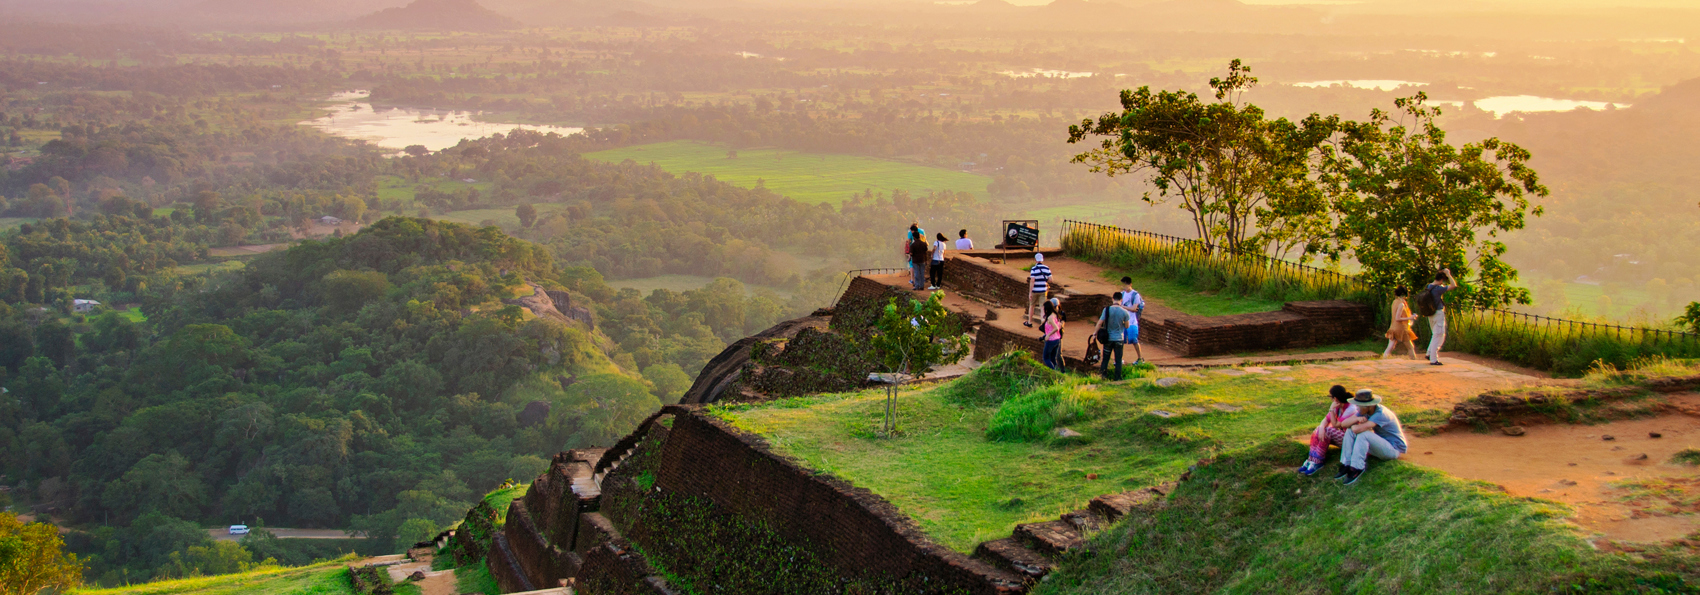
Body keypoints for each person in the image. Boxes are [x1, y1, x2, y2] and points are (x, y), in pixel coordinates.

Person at [1336, 389, 1407, 485]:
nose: (1357, 407)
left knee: (1363, 434)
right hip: (1383, 446)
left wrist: (1353, 425)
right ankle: (1346, 463)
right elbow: (1344, 424)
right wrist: (1356, 419)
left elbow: (1358, 429)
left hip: (1394, 450)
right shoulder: (1364, 411)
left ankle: (1357, 467)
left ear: (1368, 406)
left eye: (1359, 405)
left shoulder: (1381, 414)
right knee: (1350, 431)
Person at [1298, 386, 1359, 476]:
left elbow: (1336, 425)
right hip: (1344, 436)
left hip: (1351, 440)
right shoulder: (1338, 405)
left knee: (1328, 431)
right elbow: (1326, 420)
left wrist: (1331, 409)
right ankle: (1311, 459)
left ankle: (1318, 461)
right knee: (1318, 429)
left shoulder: (1350, 408)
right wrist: (1322, 427)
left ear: (1335, 398)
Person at [1094, 292, 1131, 380]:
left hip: (1108, 339)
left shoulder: (1107, 310)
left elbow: (1100, 323)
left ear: (1112, 299)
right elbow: (1127, 326)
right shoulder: (1125, 312)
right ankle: (1117, 378)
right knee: (1118, 360)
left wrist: (1095, 333)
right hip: (1119, 338)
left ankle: (1103, 376)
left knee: (1105, 359)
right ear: (1121, 300)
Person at [1425, 268, 1457, 365]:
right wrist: (1448, 274)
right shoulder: (1438, 289)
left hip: (1430, 313)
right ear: (1441, 280)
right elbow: (1453, 285)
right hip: (1438, 313)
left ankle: (1429, 353)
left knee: (1437, 334)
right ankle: (1433, 359)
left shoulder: (1428, 286)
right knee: (1437, 335)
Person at [1383, 287, 1419, 359]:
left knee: (1390, 347)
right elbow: (1398, 318)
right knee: (1410, 347)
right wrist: (1410, 318)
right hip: (1401, 329)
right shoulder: (1401, 304)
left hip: (1393, 327)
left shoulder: (1395, 302)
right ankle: (1414, 361)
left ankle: (1384, 360)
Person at [1119, 276, 1146, 363]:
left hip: (1132, 321)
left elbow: (1134, 308)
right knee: (1120, 341)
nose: (1124, 287)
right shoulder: (1122, 294)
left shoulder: (1135, 295)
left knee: (1134, 340)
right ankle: (1120, 359)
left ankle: (1140, 358)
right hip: (1123, 321)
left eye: (1126, 285)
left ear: (1130, 284)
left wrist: (1122, 307)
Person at [1024, 253, 1052, 327]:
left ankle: (1029, 322)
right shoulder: (1046, 268)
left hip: (1035, 290)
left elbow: (1032, 280)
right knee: (1042, 307)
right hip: (1043, 290)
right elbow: (1051, 280)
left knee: (1032, 306)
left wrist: (1030, 292)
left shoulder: (1034, 269)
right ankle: (1042, 322)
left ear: (1036, 260)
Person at [1040, 299, 1065, 371]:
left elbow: (1056, 328)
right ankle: (1057, 371)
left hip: (1051, 340)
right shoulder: (1055, 315)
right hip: (1057, 339)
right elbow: (1059, 325)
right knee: (1053, 358)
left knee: (1046, 358)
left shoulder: (1050, 318)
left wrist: (1048, 335)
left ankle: (1054, 371)